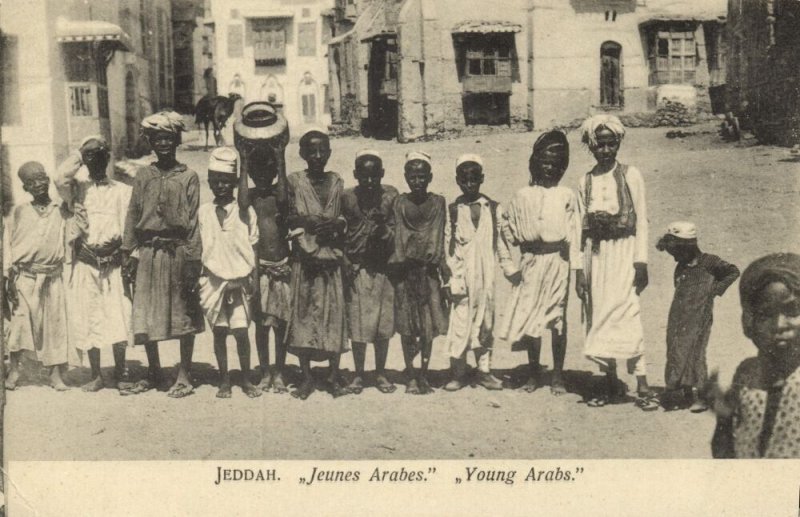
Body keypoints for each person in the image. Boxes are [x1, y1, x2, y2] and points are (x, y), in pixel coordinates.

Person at [577, 114, 658, 411]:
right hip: (595, 257)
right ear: (591, 146)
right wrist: (579, 272)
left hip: (624, 253)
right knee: (598, 315)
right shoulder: (584, 180)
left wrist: (641, 262)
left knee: (627, 314)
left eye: (611, 145)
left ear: (618, 144)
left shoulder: (630, 175)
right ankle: (608, 382)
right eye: (599, 145)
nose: (605, 151)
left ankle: (643, 385)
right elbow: (579, 229)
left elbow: (642, 221)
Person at [121, 111, 204, 397]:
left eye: (169, 138)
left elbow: (193, 221)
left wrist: (194, 260)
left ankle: (184, 374)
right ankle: (154, 371)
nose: (164, 144)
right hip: (147, 253)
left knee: (183, 312)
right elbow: (133, 214)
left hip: (178, 251)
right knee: (144, 313)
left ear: (177, 140)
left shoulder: (189, 177)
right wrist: (126, 251)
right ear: (152, 143)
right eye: (159, 139)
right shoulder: (143, 175)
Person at [497, 131, 583, 395]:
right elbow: (502, 231)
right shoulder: (522, 195)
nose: (550, 167)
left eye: (556, 162)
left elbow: (576, 235)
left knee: (557, 317)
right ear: (535, 162)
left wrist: (577, 271)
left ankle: (557, 375)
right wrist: (509, 267)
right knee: (532, 317)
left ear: (563, 166)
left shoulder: (567, 195)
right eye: (545, 161)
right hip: (530, 262)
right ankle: (534, 373)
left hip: (558, 261)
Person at [55, 136, 133, 392]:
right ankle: (96, 375)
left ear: (108, 159)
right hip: (85, 263)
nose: (95, 162)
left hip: (113, 264)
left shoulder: (122, 190)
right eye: (90, 158)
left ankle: (121, 373)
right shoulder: (76, 189)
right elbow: (59, 178)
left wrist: (123, 256)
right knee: (90, 317)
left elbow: (128, 230)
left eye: (100, 157)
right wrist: (81, 152)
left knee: (118, 316)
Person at [4, 161, 86, 390]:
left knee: (55, 325)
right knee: (21, 323)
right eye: (31, 182)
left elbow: (75, 228)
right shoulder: (19, 211)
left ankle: (55, 374)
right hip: (25, 277)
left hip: (52, 276)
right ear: (25, 188)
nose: (38, 184)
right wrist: (8, 276)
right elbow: (9, 246)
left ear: (48, 181)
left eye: (41, 178)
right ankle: (15, 370)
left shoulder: (60, 210)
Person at [710, 253, 800, 458]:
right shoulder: (746, 374)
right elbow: (724, 454)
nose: (779, 325)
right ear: (747, 322)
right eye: (765, 314)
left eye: (792, 311)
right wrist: (723, 416)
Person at [285, 128, 349, 400]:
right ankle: (307, 377)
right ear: (302, 154)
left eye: (323, 151)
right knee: (303, 316)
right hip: (305, 259)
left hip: (331, 260)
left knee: (333, 315)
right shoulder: (295, 182)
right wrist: (305, 222)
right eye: (312, 151)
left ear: (330, 153)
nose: (318, 156)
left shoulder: (336, 181)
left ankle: (334, 375)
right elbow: (286, 216)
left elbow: (345, 216)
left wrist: (336, 225)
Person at [234, 102, 292, 394]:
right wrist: (244, 162)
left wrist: (280, 157)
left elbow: (283, 199)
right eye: (257, 170)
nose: (262, 174)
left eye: (266, 169)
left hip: (281, 266)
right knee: (261, 325)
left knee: (280, 323)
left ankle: (279, 371)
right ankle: (266, 370)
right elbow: (241, 201)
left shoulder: (278, 195)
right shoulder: (253, 196)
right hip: (260, 269)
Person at [197, 147, 261, 399]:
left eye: (226, 181)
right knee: (220, 332)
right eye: (216, 181)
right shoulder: (203, 212)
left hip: (240, 280)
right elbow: (201, 245)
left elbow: (253, 244)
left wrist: (252, 277)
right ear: (210, 183)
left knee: (242, 332)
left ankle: (245, 378)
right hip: (213, 281)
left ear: (235, 183)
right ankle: (224, 379)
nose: (221, 186)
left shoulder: (245, 212)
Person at [656, 221, 739, 412]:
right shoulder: (681, 266)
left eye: (676, 252)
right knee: (676, 351)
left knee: (696, 353)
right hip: (678, 316)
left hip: (700, 316)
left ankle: (702, 396)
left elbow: (733, 271)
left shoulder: (709, 262)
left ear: (688, 247)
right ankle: (682, 394)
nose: (675, 257)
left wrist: (715, 290)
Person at [443, 154, 505, 392]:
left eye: (474, 180)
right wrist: (450, 277)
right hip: (461, 276)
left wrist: (511, 270)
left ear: (482, 179)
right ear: (458, 181)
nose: (469, 185)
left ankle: (484, 372)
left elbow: (501, 243)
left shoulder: (493, 209)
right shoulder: (454, 210)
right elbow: (448, 245)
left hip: (486, 276)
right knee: (460, 323)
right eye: (464, 180)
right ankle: (458, 372)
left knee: (486, 324)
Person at [390, 151, 449, 395]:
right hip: (406, 272)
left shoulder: (438, 203)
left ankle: (424, 373)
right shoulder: (400, 204)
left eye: (422, 176)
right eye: (412, 177)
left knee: (427, 327)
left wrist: (442, 262)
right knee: (407, 326)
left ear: (430, 177)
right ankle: (410, 373)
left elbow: (442, 234)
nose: (417, 181)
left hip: (429, 272)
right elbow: (397, 236)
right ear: (406, 177)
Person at [341, 150, 398, 394]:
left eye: (374, 176)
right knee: (358, 325)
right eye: (363, 176)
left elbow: (397, 231)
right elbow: (338, 232)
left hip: (383, 269)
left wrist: (383, 227)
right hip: (357, 269)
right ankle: (359, 373)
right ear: (355, 175)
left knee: (382, 326)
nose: (369, 181)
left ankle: (381, 372)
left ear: (381, 174)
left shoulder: (390, 196)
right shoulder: (347, 198)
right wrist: (344, 260)